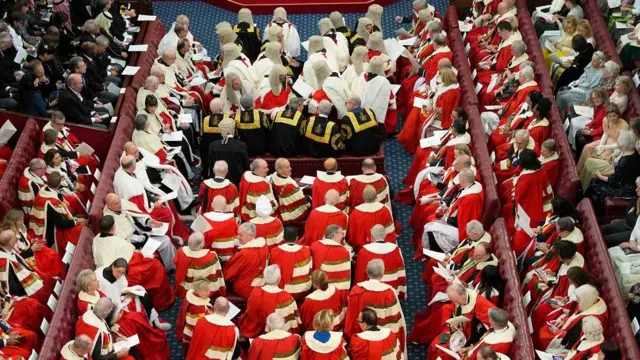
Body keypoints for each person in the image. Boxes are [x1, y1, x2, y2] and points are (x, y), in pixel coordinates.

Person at [92, 217, 175, 311]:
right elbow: (132, 256)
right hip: (122, 273)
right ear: (113, 228)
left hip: (109, 273)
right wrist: (144, 256)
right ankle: (161, 303)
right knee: (156, 266)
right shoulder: (117, 242)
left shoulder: (96, 239)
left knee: (153, 262)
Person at [113, 155, 189, 242]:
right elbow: (139, 209)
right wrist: (153, 205)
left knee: (167, 199)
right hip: (143, 213)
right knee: (166, 213)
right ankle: (170, 239)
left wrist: (152, 199)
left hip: (146, 200)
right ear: (133, 166)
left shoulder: (126, 172)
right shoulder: (130, 187)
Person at [345, 260, 407, 354]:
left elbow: (351, 317)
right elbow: (395, 319)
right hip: (384, 340)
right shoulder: (389, 292)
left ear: (367, 272)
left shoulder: (356, 291)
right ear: (382, 274)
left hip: (362, 340)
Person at [407, 283, 495, 350]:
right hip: (456, 326)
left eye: (456, 300)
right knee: (443, 311)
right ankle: (421, 336)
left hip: (469, 333)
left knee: (437, 346)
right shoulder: (460, 299)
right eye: (453, 300)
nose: (455, 303)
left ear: (464, 293)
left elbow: (491, 325)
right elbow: (456, 309)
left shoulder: (481, 303)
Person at [103, 193, 175, 269]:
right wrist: (142, 237)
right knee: (165, 242)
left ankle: (170, 268)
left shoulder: (123, 203)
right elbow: (123, 238)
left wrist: (148, 222)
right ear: (109, 206)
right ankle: (169, 270)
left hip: (141, 232)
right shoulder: (110, 219)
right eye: (116, 204)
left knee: (166, 240)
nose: (120, 204)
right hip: (135, 244)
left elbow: (137, 215)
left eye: (119, 201)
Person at [423, 168, 484, 253]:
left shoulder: (470, 199)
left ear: (463, 180)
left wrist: (444, 218)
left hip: (462, 229)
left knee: (430, 226)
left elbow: (463, 219)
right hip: (456, 220)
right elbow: (458, 205)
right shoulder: (470, 186)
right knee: (431, 218)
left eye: (459, 178)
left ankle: (431, 253)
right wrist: (448, 208)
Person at [585, 130, 640, 220]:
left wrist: (599, 175)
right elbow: (617, 172)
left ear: (623, 145)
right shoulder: (633, 153)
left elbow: (614, 181)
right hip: (626, 184)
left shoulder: (625, 161)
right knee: (596, 181)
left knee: (595, 184)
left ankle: (595, 214)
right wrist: (602, 173)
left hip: (624, 190)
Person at [536, 285, 607, 350]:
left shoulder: (592, 318)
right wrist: (563, 320)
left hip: (570, 341)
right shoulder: (590, 301)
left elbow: (577, 338)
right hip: (568, 331)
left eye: (579, 299)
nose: (577, 301)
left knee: (544, 335)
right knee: (549, 324)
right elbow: (576, 315)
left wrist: (557, 332)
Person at [238, 265, 301, 338]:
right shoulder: (287, 298)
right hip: (276, 336)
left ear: (264, 278)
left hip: (255, 332)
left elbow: (250, 313)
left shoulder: (255, 293)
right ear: (279, 279)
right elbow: (293, 322)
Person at [29, 172, 86, 252]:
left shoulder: (43, 189)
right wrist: (76, 222)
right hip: (51, 232)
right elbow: (60, 224)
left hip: (47, 223)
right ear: (59, 184)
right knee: (81, 230)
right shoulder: (52, 203)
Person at [2, 209, 64, 279]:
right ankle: (51, 278)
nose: (22, 222)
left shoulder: (20, 226)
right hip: (25, 258)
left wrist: (32, 241)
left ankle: (61, 273)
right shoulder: (10, 237)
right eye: (20, 221)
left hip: (31, 250)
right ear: (13, 222)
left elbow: (25, 240)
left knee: (52, 255)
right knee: (44, 265)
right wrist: (31, 250)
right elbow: (17, 257)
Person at [0, 229, 54, 306]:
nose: (16, 239)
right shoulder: (4, 263)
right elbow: (11, 286)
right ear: (11, 243)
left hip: (27, 274)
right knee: (42, 294)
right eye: (15, 238)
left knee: (48, 279)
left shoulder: (6, 247)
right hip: (21, 290)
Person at [355, 225, 406, 299]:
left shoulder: (364, 251)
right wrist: (402, 292)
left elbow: (360, 275)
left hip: (370, 291)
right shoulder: (395, 249)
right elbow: (401, 273)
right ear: (385, 235)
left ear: (371, 236)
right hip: (391, 290)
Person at [223, 222, 269, 299]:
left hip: (246, 290)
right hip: (261, 285)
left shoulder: (244, 254)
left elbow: (228, 274)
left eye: (241, 235)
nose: (238, 237)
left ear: (250, 236)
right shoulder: (264, 247)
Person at [174, 232, 226, 299]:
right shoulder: (211, 256)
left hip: (188, 288)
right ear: (201, 246)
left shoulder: (180, 252)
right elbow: (216, 272)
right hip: (204, 289)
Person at [347, 185, 396, 251]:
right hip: (381, 248)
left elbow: (351, 235)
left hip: (361, 248)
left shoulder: (355, 213)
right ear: (376, 196)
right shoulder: (385, 210)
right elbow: (390, 232)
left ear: (362, 197)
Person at [269, 226, 312, 300]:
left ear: (283, 238)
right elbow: (310, 270)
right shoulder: (306, 250)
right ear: (297, 238)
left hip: (283, 292)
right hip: (304, 290)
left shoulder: (275, 251)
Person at [310, 225, 352, 301]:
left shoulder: (315, 246)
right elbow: (344, 279)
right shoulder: (343, 252)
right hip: (335, 295)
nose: (343, 236)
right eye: (342, 233)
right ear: (334, 235)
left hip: (317, 291)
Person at [360, 56, 396, 134]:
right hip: (375, 115)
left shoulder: (362, 76)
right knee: (392, 107)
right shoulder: (384, 81)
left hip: (361, 110)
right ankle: (388, 131)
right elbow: (391, 101)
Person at [176, 278, 213, 350]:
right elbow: (199, 327)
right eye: (206, 291)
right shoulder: (199, 308)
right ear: (198, 291)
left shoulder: (192, 295)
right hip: (192, 335)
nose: (209, 292)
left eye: (209, 290)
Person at [198, 196, 239, 261]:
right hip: (227, 258)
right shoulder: (232, 220)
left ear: (212, 205)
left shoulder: (204, 218)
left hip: (209, 257)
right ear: (226, 206)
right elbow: (237, 242)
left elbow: (195, 240)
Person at [271, 158, 310, 225]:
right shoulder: (289, 187)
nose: (290, 168)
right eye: (287, 167)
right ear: (280, 170)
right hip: (291, 213)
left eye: (289, 166)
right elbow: (303, 202)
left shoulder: (274, 175)